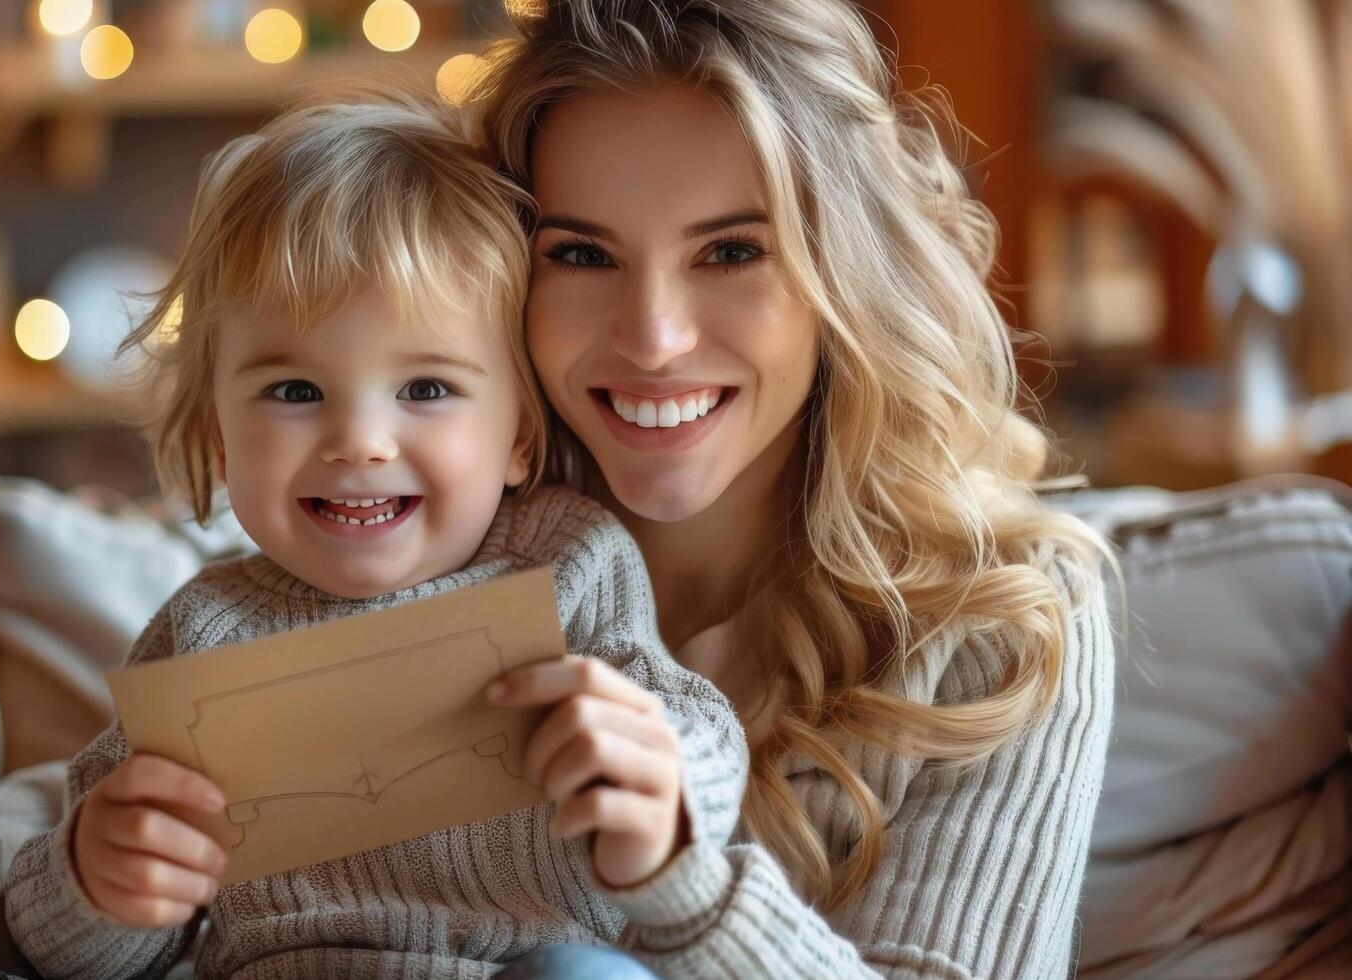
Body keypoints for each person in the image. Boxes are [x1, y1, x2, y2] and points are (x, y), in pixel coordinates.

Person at [4, 94, 733, 978]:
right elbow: (78, 947)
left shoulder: (566, 563)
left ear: (518, 437)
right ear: (213, 435)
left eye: (425, 389)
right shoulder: (201, 636)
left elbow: (690, 726)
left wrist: (667, 781)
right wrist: (97, 880)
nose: (360, 442)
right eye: (296, 392)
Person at [464, 0, 1117, 975]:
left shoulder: (1005, 614)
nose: (653, 339)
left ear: (843, 274)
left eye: (731, 251)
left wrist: (685, 881)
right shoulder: (425, 560)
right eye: (581, 254)